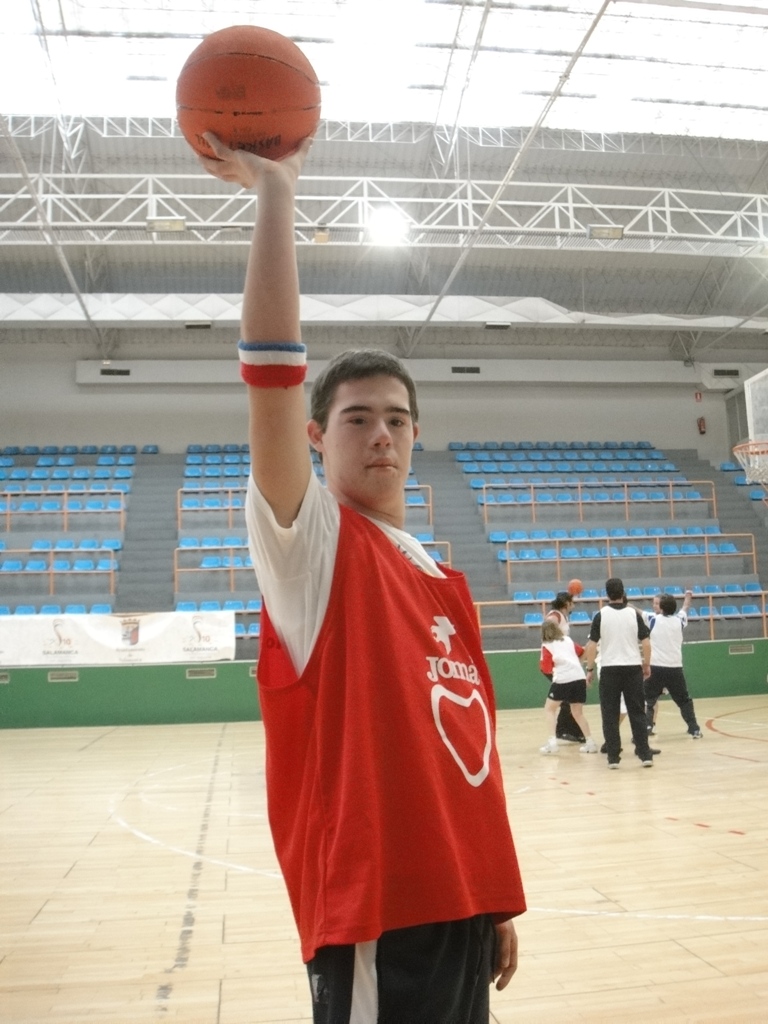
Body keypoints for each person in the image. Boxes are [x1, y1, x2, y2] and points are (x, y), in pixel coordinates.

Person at [198, 133, 526, 1023]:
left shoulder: (437, 573)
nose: (380, 434)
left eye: (396, 419)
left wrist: (489, 891)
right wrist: (276, 193)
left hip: (459, 904)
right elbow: (271, 373)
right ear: (316, 437)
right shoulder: (315, 550)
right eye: (355, 419)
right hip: (379, 914)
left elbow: (466, 761)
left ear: (417, 434)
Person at [583, 578, 655, 769]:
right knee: (637, 712)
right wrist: (646, 664)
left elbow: (591, 646)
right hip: (632, 669)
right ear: (623, 593)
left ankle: (613, 757)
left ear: (607, 594)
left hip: (609, 669)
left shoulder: (601, 615)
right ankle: (644, 754)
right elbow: (646, 643)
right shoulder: (633, 614)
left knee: (610, 714)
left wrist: (589, 669)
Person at [645, 591, 703, 738]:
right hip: (675, 669)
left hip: (656, 668)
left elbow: (637, 612)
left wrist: (625, 603)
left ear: (662, 608)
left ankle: (646, 728)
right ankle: (694, 728)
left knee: (648, 701)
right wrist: (688, 597)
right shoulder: (679, 620)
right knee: (684, 701)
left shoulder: (653, 619)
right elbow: (685, 607)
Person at [538, 619, 598, 754]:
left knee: (549, 709)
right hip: (579, 678)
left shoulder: (546, 645)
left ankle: (552, 743)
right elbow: (582, 652)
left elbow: (546, 668)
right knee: (578, 713)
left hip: (563, 679)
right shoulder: (567, 640)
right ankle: (590, 742)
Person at [545, 592, 586, 743]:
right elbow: (549, 623)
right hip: (556, 663)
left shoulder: (562, 616)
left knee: (568, 700)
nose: (573, 605)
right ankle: (564, 732)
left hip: (564, 662)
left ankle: (566, 731)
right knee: (569, 699)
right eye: (572, 602)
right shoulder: (555, 615)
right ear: (566, 603)